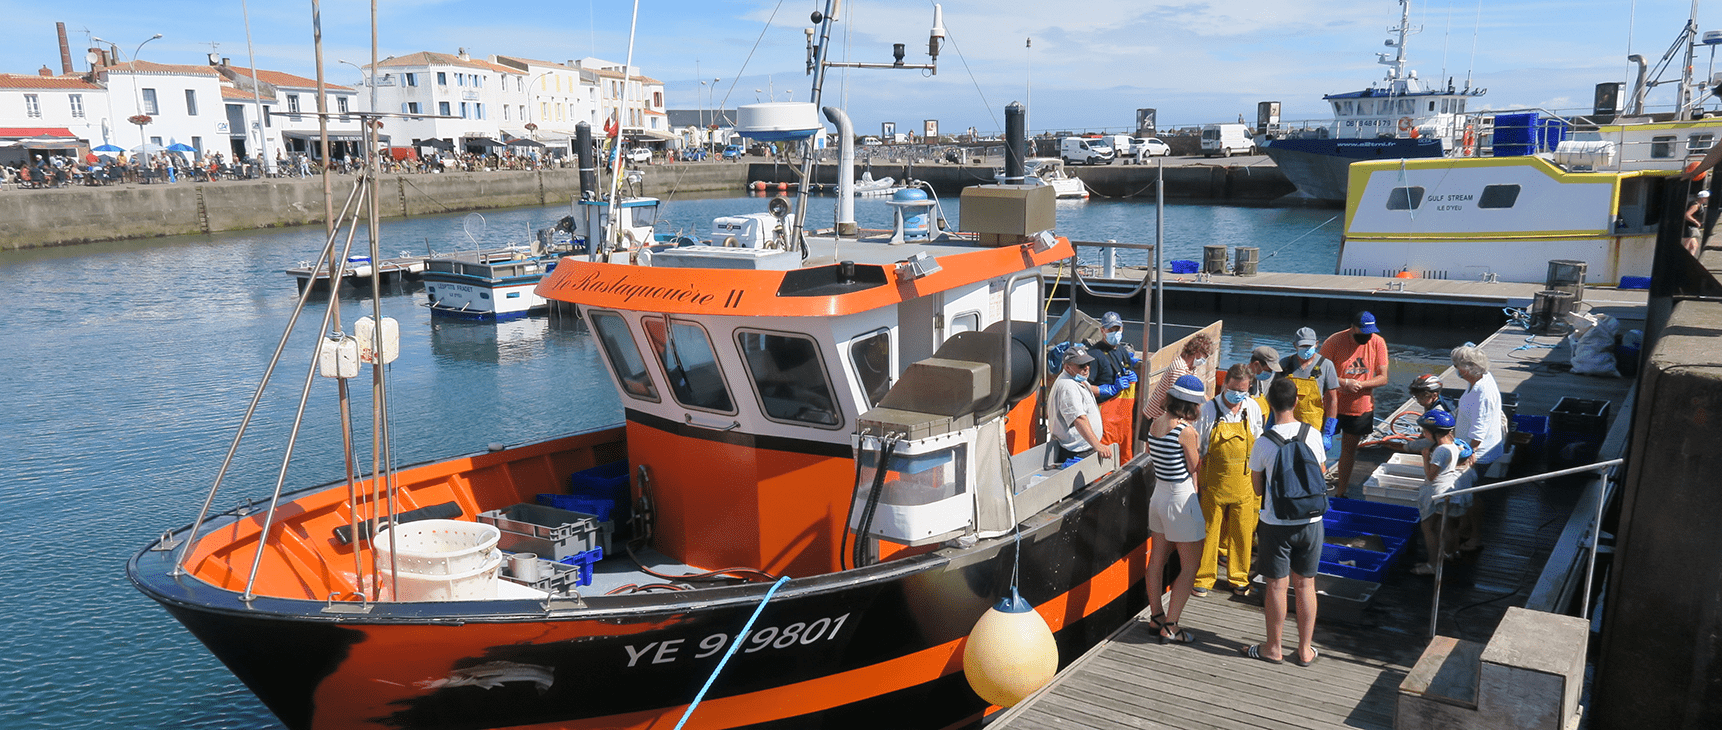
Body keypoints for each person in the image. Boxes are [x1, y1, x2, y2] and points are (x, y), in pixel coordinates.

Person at [1241, 377, 1327, 666]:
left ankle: (1273, 648)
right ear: (1297, 401)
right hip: (1311, 521)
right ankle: (1305, 649)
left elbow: (1257, 489)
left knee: (1277, 587)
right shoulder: (1312, 434)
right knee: (1306, 585)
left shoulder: (1263, 443)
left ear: (1269, 404)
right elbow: (1321, 473)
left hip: (1276, 523)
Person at [1144, 374, 1207, 645]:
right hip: (1180, 498)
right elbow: (1194, 466)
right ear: (1190, 405)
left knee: (1156, 559)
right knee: (1191, 565)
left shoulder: (1155, 423)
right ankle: (1171, 626)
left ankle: (1156, 616)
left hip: (1158, 496)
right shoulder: (1186, 432)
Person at [1192, 364, 1264, 598]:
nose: (1237, 395)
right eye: (1233, 389)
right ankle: (1203, 578)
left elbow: (1258, 441)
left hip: (1245, 483)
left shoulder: (1252, 408)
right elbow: (1197, 448)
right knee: (1208, 532)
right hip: (1213, 484)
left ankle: (1239, 578)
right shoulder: (1208, 410)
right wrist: (1195, 482)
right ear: (1224, 385)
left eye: (1242, 390)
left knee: (1243, 533)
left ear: (1249, 387)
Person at [1321, 312, 1390, 498]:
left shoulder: (1377, 342)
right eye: (1363, 332)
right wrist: (1344, 383)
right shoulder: (1334, 341)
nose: (1367, 336)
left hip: (1360, 407)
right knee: (1319, 449)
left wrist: (1360, 385)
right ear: (1352, 327)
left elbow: (1383, 377)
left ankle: (1341, 491)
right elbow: (1319, 372)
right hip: (1332, 406)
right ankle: (1317, 490)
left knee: (1349, 450)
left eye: (1370, 332)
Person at [1450, 344, 1504, 551]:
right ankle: (1465, 526)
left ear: (1467, 368)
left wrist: (1469, 453)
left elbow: (1479, 428)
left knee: (1471, 494)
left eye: (1457, 365)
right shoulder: (1478, 380)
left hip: (1478, 452)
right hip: (1467, 445)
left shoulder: (1483, 391)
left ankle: (1476, 537)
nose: (1455, 369)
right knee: (1467, 491)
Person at [1410, 409, 1476, 575]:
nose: (1424, 435)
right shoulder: (1453, 445)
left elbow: (1431, 476)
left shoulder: (1440, 451)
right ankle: (1450, 552)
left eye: (1425, 431)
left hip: (1435, 492)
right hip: (1446, 491)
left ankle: (1432, 565)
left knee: (1428, 528)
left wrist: (1425, 456)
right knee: (1444, 525)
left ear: (1434, 432)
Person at [1083, 312, 1142, 460]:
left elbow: (1127, 369)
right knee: (1106, 457)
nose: (1115, 333)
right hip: (1103, 418)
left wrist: (1132, 376)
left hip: (1124, 419)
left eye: (1117, 329)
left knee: (1125, 456)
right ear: (1102, 330)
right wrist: (1107, 390)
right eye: (1111, 330)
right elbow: (1083, 387)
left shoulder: (1122, 351)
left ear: (1122, 328)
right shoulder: (1094, 354)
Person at [1049, 345, 1114, 466]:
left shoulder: (1077, 379)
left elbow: (1088, 389)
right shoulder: (1068, 387)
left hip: (1085, 447)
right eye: (1081, 365)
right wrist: (1097, 445)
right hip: (1078, 452)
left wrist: (1110, 389)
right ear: (1067, 367)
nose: (1086, 368)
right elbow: (1079, 419)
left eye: (1088, 363)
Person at [1276, 327, 1339, 452]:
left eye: (1309, 346)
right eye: (1302, 346)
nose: (1306, 349)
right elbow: (1275, 396)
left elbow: (1332, 400)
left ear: (1316, 344)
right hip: (1286, 425)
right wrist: (1272, 422)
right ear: (1295, 345)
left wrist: (1328, 430)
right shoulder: (1285, 364)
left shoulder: (1326, 365)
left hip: (1313, 426)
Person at [1144, 333, 1214, 423]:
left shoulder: (1191, 368)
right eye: (1205, 356)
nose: (1205, 359)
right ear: (1197, 352)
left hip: (1164, 417)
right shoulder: (1179, 368)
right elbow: (1179, 400)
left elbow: (1194, 393)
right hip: (1154, 418)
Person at [1386, 374, 1454, 454]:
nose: (1418, 400)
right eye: (1417, 396)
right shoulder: (1432, 403)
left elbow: (1432, 441)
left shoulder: (1438, 413)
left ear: (1434, 395)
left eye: (1422, 397)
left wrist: (1407, 447)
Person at [1246, 345, 1281, 418]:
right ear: (1256, 364)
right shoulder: (1239, 383)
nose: (1270, 373)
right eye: (1268, 370)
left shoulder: (1260, 382)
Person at [1685, 189, 1708, 256]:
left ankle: (1689, 260)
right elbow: (1687, 215)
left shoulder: (1699, 205)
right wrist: (1696, 222)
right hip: (1689, 228)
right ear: (1702, 198)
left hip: (1691, 228)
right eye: (1706, 198)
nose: (1707, 199)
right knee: (1686, 246)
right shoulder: (1695, 205)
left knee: (1694, 246)